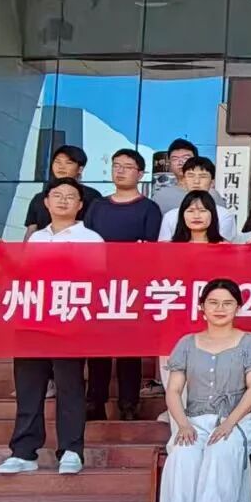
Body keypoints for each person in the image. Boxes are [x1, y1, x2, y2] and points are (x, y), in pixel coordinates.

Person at [153, 279, 251, 502]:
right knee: (182, 455)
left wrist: (229, 423)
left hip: (236, 420)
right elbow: (174, 391)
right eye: (213, 303)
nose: (220, 308)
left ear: (238, 308)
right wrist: (182, 424)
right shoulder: (186, 343)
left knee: (222, 450)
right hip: (193, 420)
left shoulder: (250, 342)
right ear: (201, 307)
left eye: (228, 303)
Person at [0, 180, 101, 478]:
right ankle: (23, 451)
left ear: (80, 205)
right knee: (29, 388)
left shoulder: (91, 238)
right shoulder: (35, 239)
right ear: (46, 202)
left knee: (70, 387)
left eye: (70, 197)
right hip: (32, 321)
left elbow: (97, 279)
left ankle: (71, 450)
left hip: (70, 322)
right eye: (57, 196)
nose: (63, 201)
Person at [85, 149, 161, 423]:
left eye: (127, 167)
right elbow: (86, 242)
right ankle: (95, 401)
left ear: (140, 174)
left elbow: (152, 250)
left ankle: (129, 404)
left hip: (133, 287)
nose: (120, 171)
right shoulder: (97, 206)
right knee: (98, 346)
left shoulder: (149, 208)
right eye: (116, 165)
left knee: (130, 346)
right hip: (99, 286)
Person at [24, 145, 102, 238]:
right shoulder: (39, 198)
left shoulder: (92, 196)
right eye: (57, 162)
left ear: (80, 169)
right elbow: (31, 230)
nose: (61, 167)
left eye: (68, 163)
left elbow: (98, 228)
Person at [156, 157, 237, 241]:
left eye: (203, 176)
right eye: (191, 176)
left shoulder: (224, 215)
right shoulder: (170, 216)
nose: (196, 181)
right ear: (183, 180)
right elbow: (163, 246)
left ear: (212, 182)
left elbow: (223, 246)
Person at [152, 138, 198, 216]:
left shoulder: (211, 194)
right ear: (169, 164)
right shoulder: (160, 196)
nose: (181, 162)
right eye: (175, 159)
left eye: (186, 158)